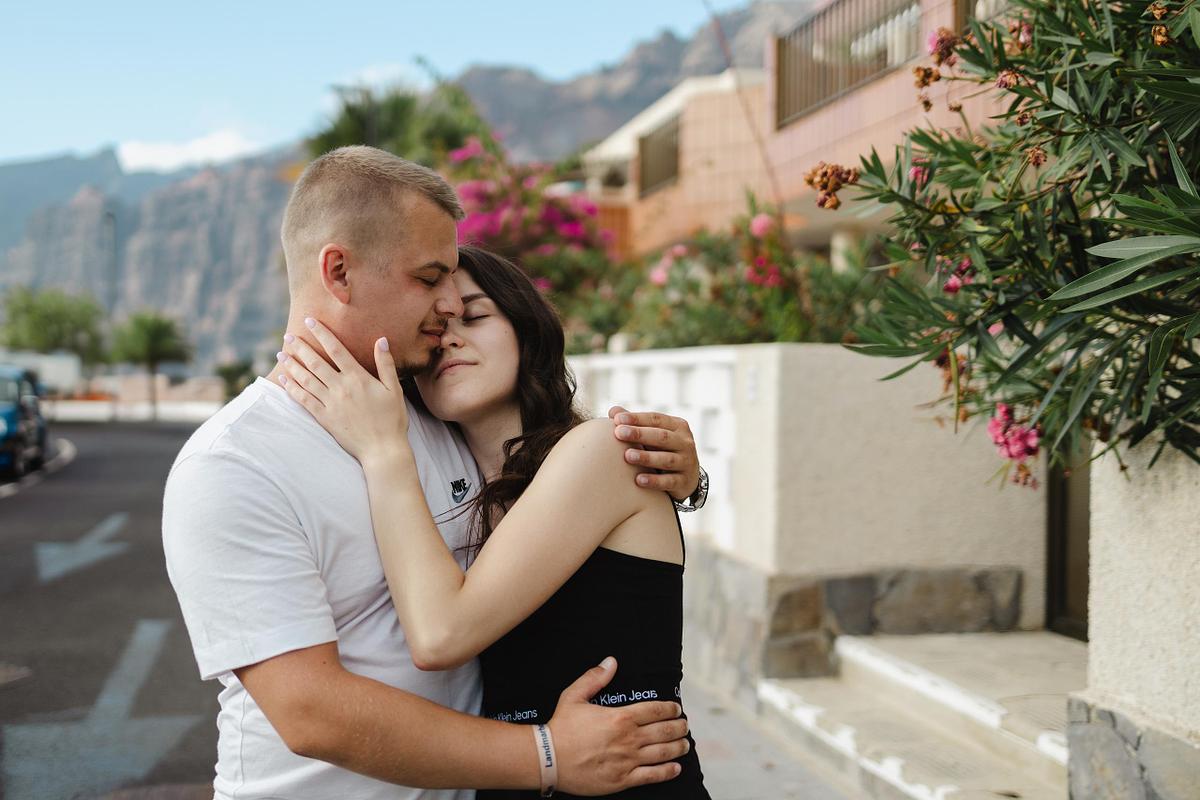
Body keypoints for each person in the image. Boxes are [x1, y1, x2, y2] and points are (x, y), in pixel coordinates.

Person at [162, 146, 707, 800]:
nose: (449, 307)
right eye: (429, 278)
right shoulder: (232, 464)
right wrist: (546, 755)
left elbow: (572, 494)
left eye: (467, 301)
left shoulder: (438, 419)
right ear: (339, 272)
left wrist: (683, 477)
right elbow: (309, 712)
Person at [274, 245, 711, 799]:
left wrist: (382, 451)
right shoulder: (445, 482)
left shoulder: (600, 449)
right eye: (435, 329)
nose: (449, 339)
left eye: (475, 317)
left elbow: (439, 636)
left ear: (526, 331)